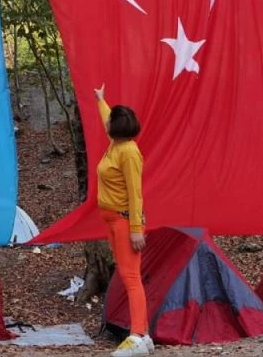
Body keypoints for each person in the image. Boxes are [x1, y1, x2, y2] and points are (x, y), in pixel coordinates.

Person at [94, 83, 154, 357]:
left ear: (116, 129)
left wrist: (136, 229)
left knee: (131, 277)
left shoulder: (128, 152)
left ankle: (138, 335)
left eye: (111, 121)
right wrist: (101, 99)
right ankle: (144, 336)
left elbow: (135, 192)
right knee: (127, 274)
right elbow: (106, 117)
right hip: (111, 220)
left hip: (125, 221)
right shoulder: (115, 144)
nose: (106, 122)